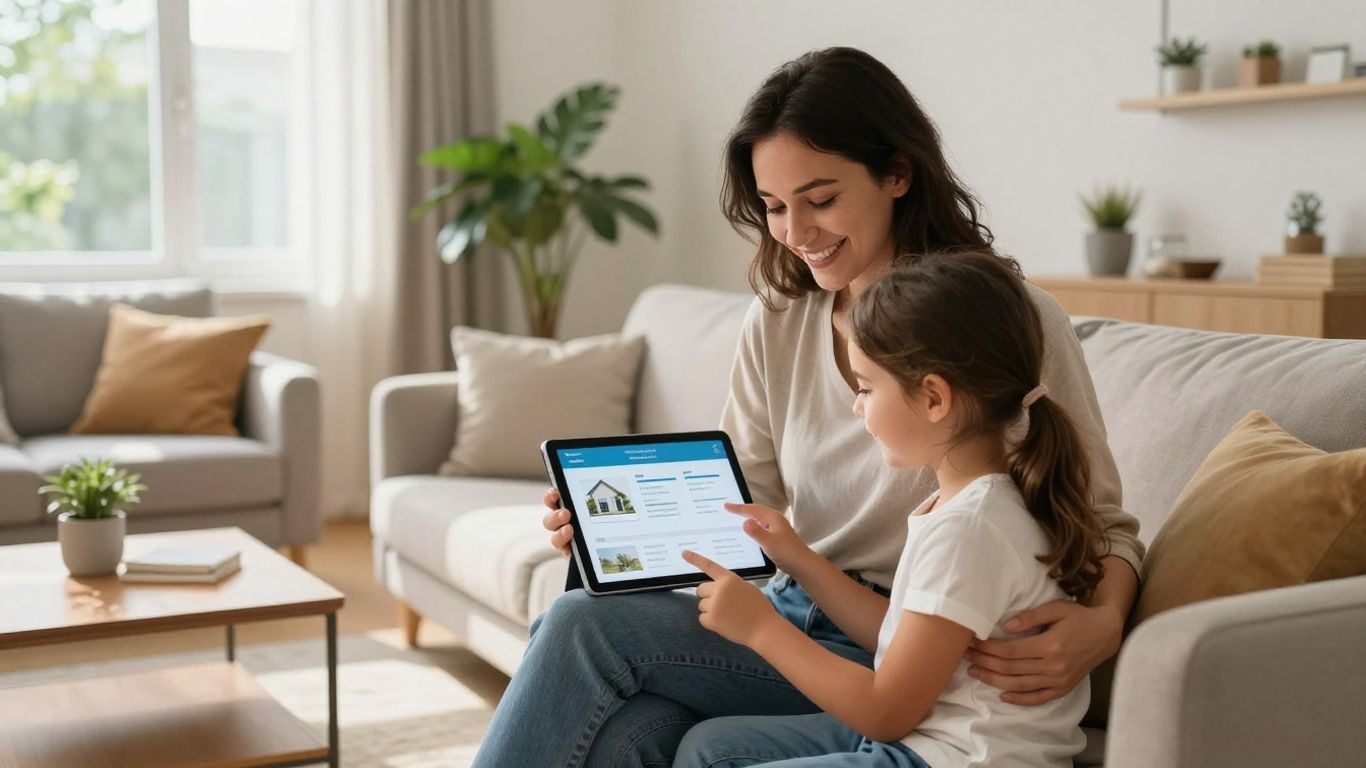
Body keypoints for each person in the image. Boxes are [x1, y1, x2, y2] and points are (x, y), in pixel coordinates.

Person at [472, 46, 1143, 768]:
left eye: (820, 200)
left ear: (898, 173)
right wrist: (620, 536)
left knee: (580, 629)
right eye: (773, 207)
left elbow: (1102, 523)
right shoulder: (780, 318)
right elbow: (743, 505)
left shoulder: (1006, 318)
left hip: (908, 637)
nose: (795, 232)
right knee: (637, 727)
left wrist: (1102, 623)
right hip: (799, 601)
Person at [672, 250, 1106, 767]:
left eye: (867, 388)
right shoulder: (963, 505)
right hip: (924, 742)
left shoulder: (971, 529)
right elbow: (899, 634)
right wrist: (797, 557)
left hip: (951, 757)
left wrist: (760, 629)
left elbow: (885, 713)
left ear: (933, 399)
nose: (857, 406)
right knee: (708, 747)